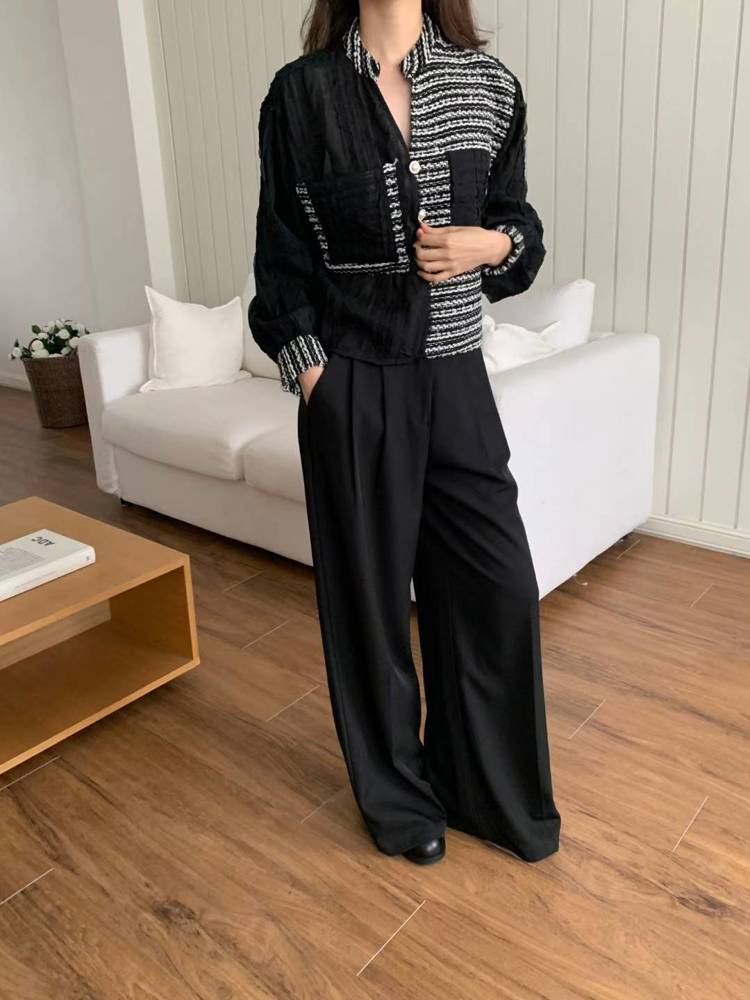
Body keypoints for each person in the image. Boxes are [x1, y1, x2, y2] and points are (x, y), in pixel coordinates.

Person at [248, 0, 561, 866]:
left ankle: (486, 791)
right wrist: (314, 375)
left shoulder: (488, 86)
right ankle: (397, 798)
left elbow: (521, 231)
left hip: (457, 379)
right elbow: (280, 261)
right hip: (353, 381)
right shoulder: (301, 95)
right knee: (370, 605)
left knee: (496, 588)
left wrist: (487, 247)